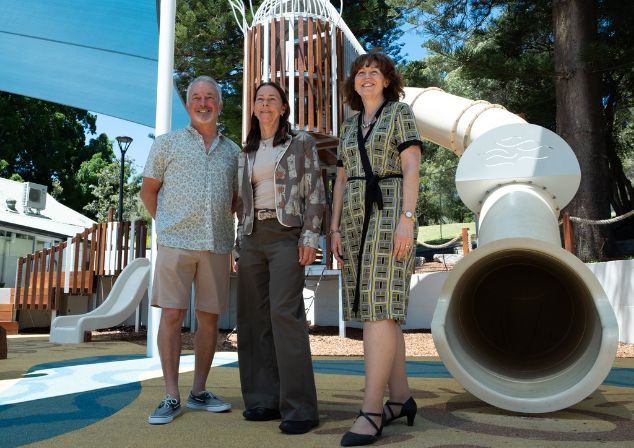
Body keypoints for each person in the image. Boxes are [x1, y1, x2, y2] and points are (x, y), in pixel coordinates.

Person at [330, 52, 423, 446]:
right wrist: (332, 228)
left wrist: (407, 217)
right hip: (353, 219)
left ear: (387, 81)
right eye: (360, 72)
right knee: (374, 308)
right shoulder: (349, 126)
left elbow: (412, 166)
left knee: (378, 307)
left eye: (374, 72)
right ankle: (400, 399)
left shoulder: (400, 112)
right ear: (353, 83)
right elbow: (340, 178)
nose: (366, 77)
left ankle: (371, 410)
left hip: (390, 212)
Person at [140, 75, 240, 425]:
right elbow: (148, 191)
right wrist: (168, 224)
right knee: (171, 316)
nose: (203, 103)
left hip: (216, 245)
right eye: (196, 97)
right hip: (175, 244)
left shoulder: (233, 152)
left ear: (219, 104)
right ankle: (171, 395)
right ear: (187, 105)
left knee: (209, 319)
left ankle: (199, 391)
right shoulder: (166, 144)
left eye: (210, 97)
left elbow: (237, 200)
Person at [235, 82, 325, 435]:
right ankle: (262, 400)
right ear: (254, 108)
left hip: (287, 235)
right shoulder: (247, 150)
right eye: (260, 99)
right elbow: (243, 201)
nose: (265, 103)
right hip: (253, 238)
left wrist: (310, 235)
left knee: (284, 315)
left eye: (272, 99)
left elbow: (316, 190)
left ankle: (300, 408)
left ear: (284, 107)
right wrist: (239, 243)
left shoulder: (300, 143)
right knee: (253, 319)